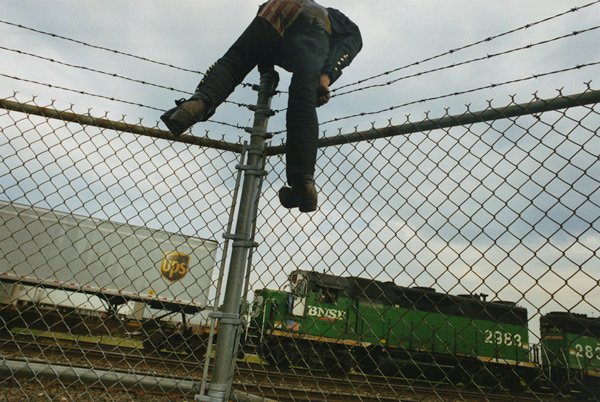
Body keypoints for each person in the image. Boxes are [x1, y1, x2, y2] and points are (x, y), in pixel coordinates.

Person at [161, 0, 362, 213]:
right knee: (302, 102)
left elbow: (261, 46)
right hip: (319, 27)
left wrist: (267, 71)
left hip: (279, 5)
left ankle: (199, 102)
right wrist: (326, 76)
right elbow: (354, 37)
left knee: (237, 59)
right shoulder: (333, 16)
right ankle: (303, 183)